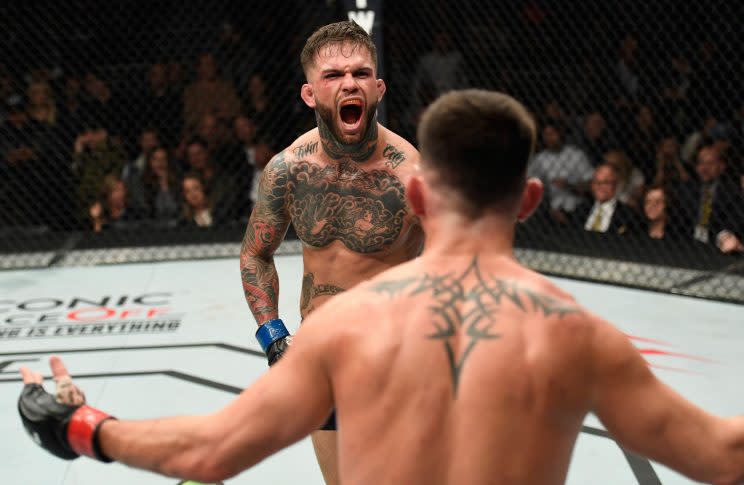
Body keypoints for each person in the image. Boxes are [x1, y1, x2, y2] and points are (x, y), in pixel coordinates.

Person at [19, 89, 744, 485]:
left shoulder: (347, 324)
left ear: (419, 197)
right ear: (528, 199)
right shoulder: (577, 334)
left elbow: (210, 451)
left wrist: (79, 426)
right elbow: (721, 455)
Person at [238, 20, 423, 485]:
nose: (349, 84)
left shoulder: (415, 176)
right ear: (309, 93)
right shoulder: (287, 170)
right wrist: (273, 335)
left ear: (378, 87)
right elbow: (255, 254)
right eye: (333, 75)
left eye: (360, 73)